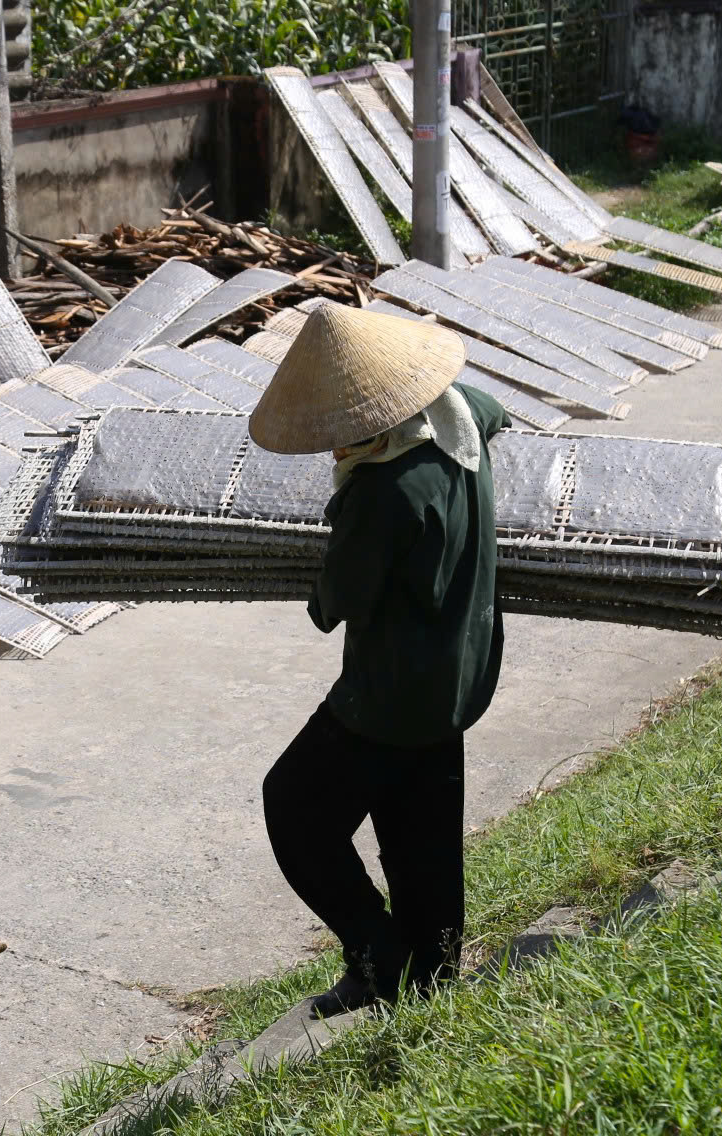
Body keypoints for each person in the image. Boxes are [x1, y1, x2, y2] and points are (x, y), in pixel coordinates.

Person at [247, 305, 510, 1018]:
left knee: (295, 807)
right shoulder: (463, 415)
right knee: (418, 821)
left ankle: (377, 956)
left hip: (389, 693)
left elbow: (337, 604)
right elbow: (498, 413)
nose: (331, 448)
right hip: (458, 667)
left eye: (336, 434)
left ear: (369, 422)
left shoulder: (381, 492)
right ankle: (433, 971)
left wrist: (323, 568)